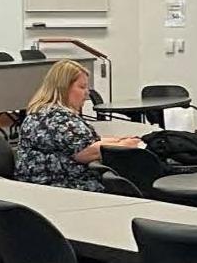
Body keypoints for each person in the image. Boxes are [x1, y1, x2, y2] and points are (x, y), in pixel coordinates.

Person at [16, 59, 140, 192]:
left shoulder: (44, 112)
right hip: (63, 187)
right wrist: (126, 145)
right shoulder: (57, 118)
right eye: (82, 87)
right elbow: (86, 152)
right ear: (64, 88)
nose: (87, 93)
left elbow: (88, 142)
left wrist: (120, 140)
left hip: (53, 183)